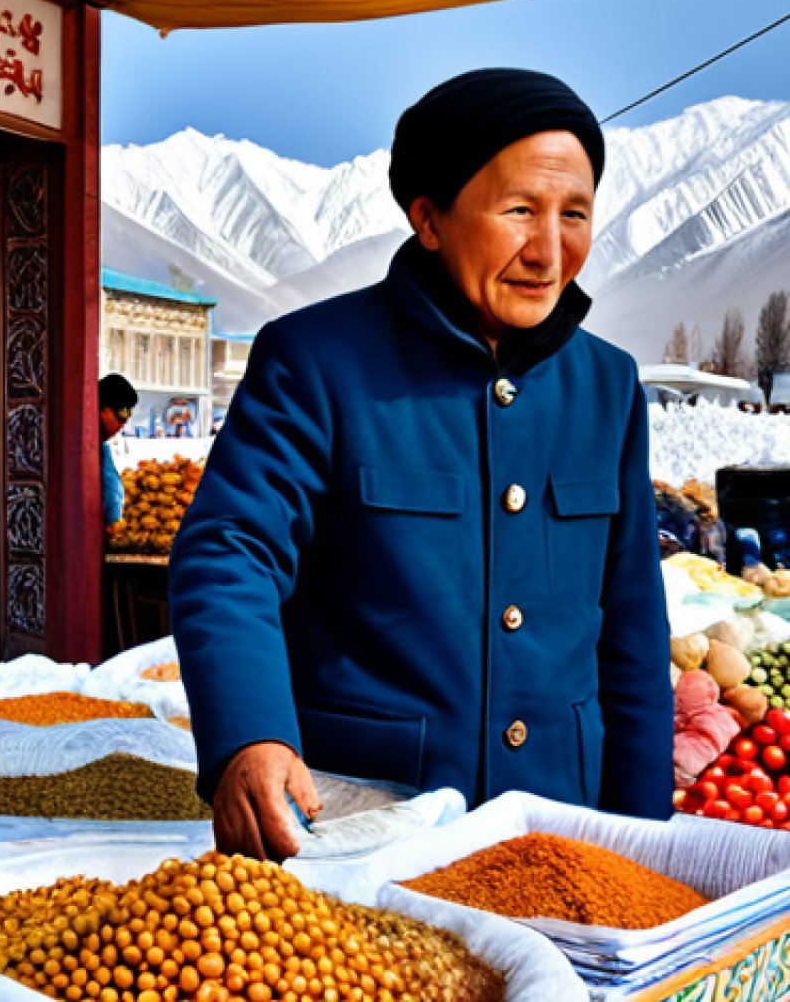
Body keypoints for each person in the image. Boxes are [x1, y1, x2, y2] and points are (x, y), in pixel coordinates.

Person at [170, 68, 673, 861]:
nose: (549, 250)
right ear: (429, 219)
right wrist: (250, 735)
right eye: (519, 211)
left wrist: (643, 845)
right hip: (366, 830)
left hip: (558, 831)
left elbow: (635, 633)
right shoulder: (318, 362)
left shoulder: (606, 387)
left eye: (573, 214)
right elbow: (230, 552)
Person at [99, 374, 139, 526]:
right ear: (103, 408)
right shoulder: (96, 450)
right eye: (120, 417)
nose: (122, 425)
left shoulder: (102, 448)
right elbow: (112, 507)